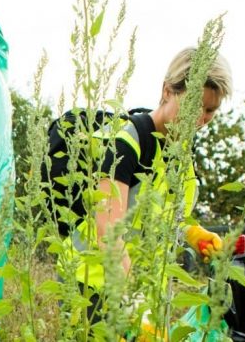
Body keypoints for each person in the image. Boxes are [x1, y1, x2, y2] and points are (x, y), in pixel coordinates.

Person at [69, 47, 232, 315]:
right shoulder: (127, 141)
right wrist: (134, 307)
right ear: (168, 90)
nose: (200, 118)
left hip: (148, 293)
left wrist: (193, 234)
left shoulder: (180, 155)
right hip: (94, 292)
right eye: (193, 105)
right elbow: (107, 230)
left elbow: (166, 219)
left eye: (210, 110)